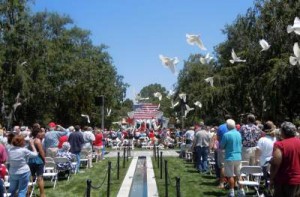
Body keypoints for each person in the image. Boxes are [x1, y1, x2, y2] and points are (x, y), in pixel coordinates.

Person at [270, 122, 300, 197]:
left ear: (283, 132)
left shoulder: (279, 144)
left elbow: (276, 163)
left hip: (284, 181)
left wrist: (271, 178)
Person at [220, 119, 244, 197]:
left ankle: (231, 191)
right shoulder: (239, 134)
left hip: (230, 156)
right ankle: (241, 190)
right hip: (238, 156)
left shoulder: (226, 135)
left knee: (230, 175)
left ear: (227, 126)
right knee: (239, 174)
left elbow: (222, 146)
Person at [28, 127, 46, 197]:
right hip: (38, 161)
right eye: (41, 132)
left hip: (30, 161)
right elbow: (41, 152)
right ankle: (42, 194)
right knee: (40, 177)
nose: (42, 134)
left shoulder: (31, 140)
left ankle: (28, 193)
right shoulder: (38, 141)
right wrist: (44, 159)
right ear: (37, 133)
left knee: (31, 178)